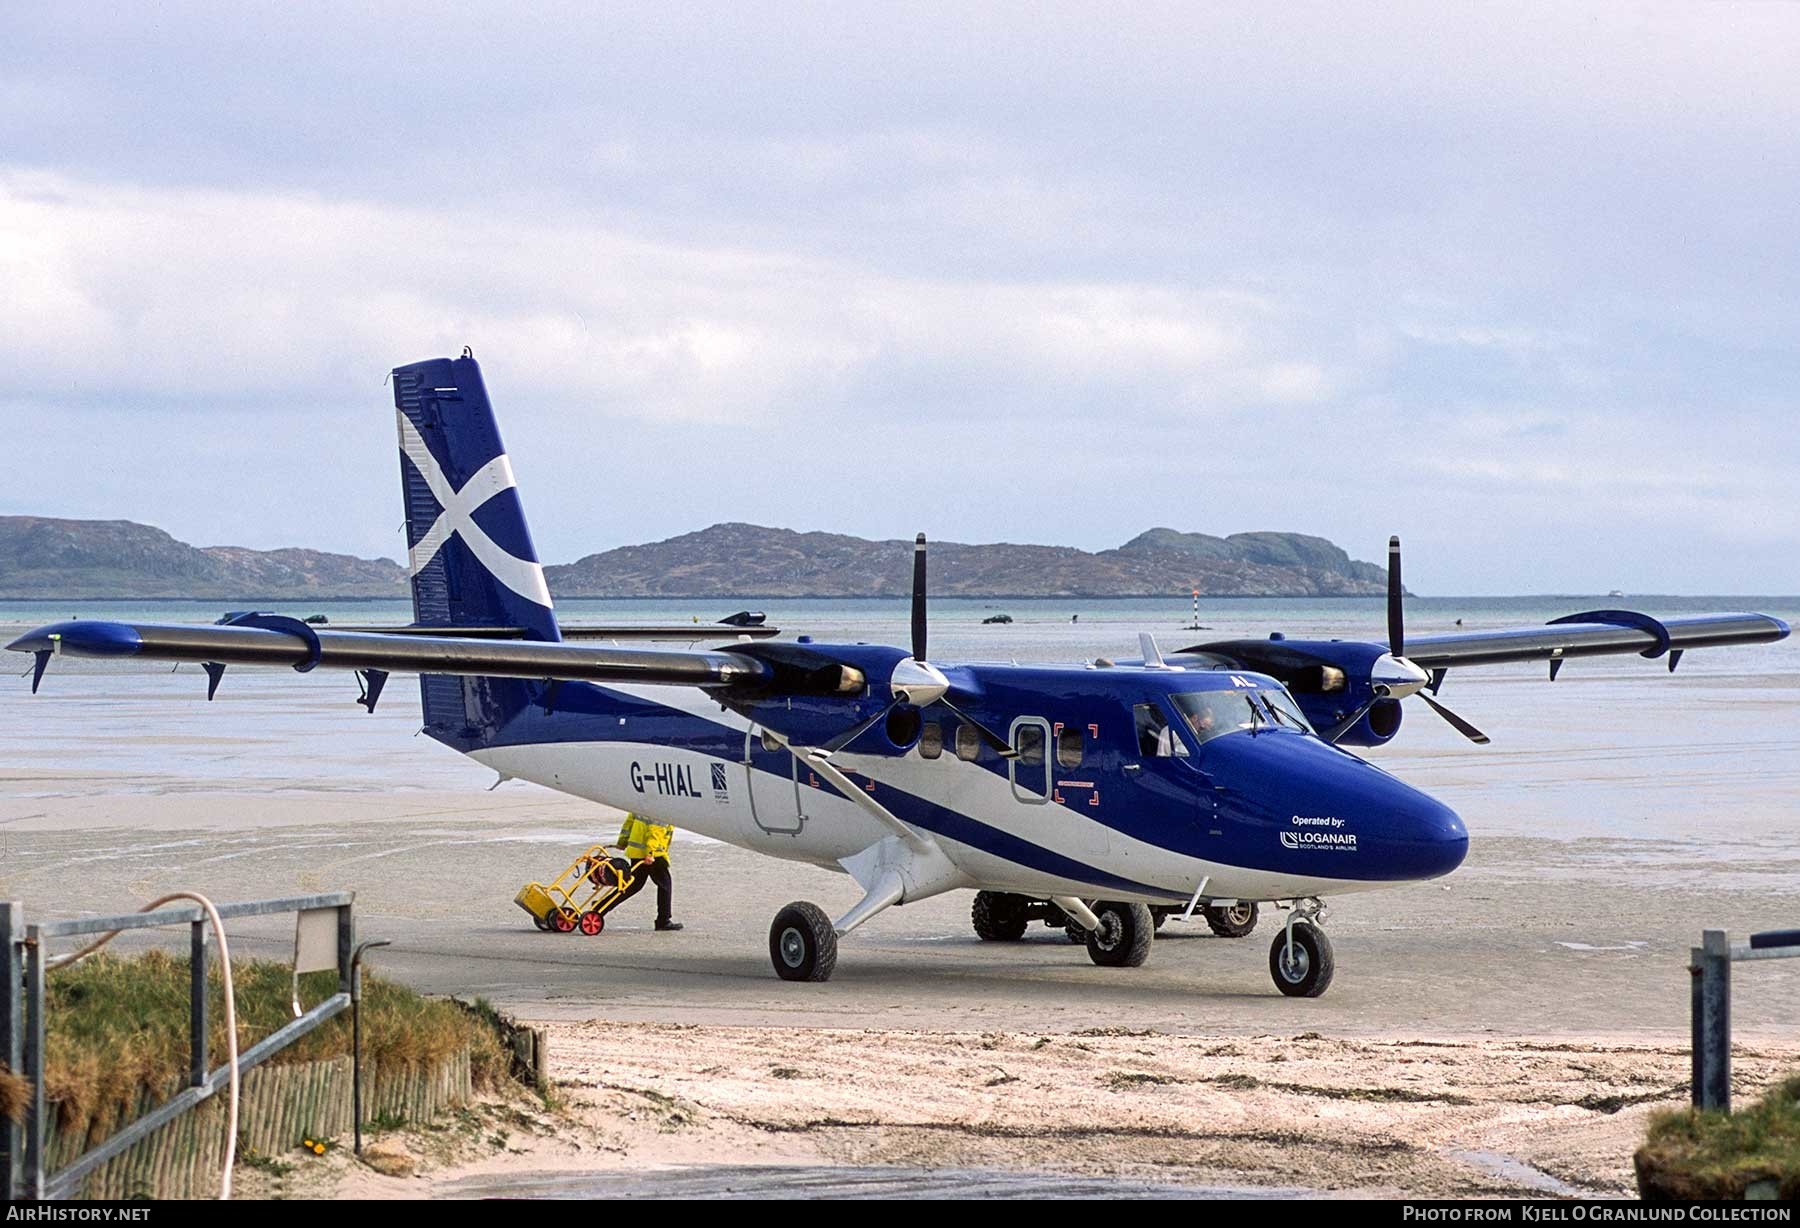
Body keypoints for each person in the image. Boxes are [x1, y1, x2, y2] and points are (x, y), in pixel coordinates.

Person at [612, 812, 682, 931]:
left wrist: (622, 841)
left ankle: (601, 907)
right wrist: (650, 853)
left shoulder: (641, 804)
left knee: (632, 885)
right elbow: (655, 832)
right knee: (665, 885)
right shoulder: (662, 808)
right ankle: (663, 920)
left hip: (637, 852)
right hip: (652, 855)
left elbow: (629, 822)